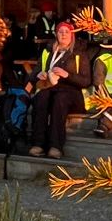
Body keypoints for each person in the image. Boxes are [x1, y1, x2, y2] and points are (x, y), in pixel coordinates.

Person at [27, 21, 91, 160]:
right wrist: (39, 75)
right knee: (40, 98)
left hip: (73, 93)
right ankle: (38, 144)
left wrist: (67, 75)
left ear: (72, 35)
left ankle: (55, 146)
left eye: (67, 32)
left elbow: (86, 81)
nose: (64, 34)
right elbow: (32, 76)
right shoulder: (48, 51)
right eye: (60, 31)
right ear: (56, 34)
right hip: (49, 88)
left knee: (59, 100)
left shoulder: (79, 53)